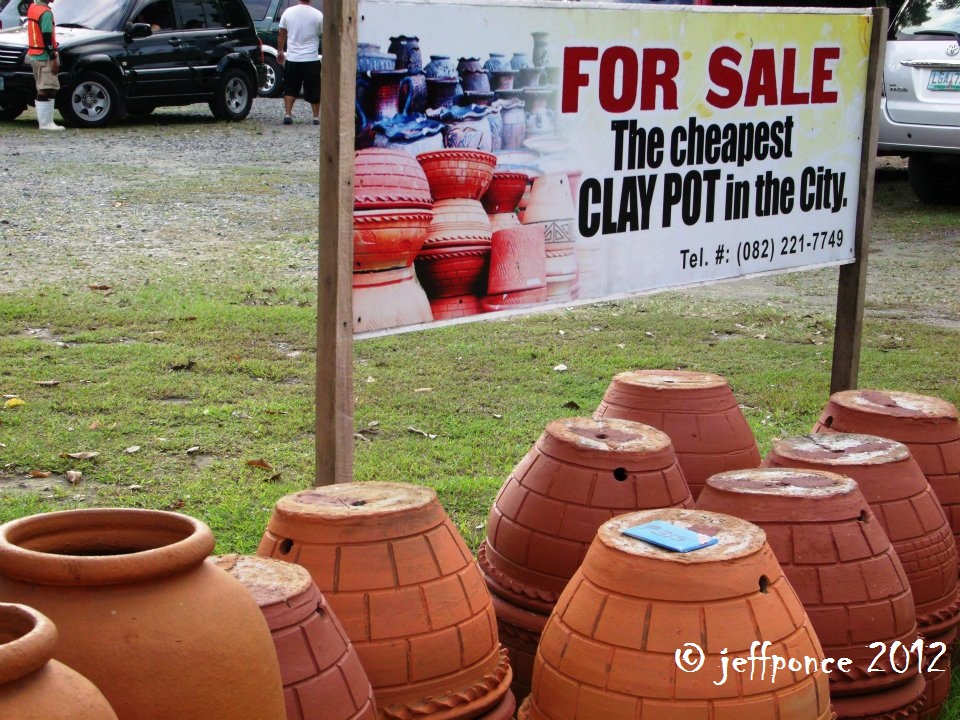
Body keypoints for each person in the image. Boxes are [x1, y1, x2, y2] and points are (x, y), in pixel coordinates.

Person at [276, 0, 322, 125]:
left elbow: (281, 32)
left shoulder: (288, 12)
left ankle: (288, 114)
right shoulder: (318, 15)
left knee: (290, 87)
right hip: (311, 58)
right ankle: (316, 117)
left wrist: (280, 51)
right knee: (314, 88)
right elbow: (325, 34)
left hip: (293, 58)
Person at [25, 0, 63, 130]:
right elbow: (46, 35)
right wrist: (53, 57)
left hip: (35, 53)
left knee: (49, 87)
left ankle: (47, 122)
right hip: (44, 55)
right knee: (46, 88)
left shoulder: (33, 8)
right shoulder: (45, 13)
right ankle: (46, 124)